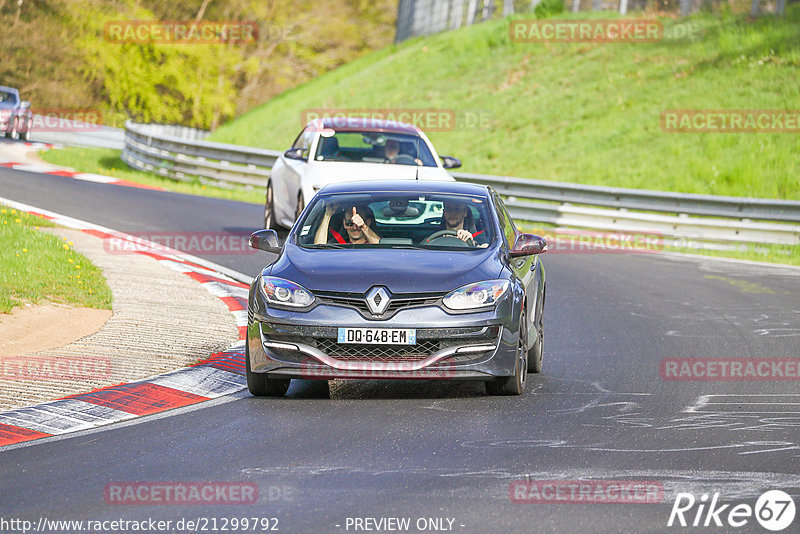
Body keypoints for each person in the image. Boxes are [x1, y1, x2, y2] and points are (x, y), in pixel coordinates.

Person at [314, 204, 380, 245]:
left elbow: (379, 246)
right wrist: (328, 214)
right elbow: (318, 248)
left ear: (367, 222)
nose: (354, 228)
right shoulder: (338, 245)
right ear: (344, 224)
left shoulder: (372, 245)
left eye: (358, 223)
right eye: (349, 223)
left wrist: (363, 226)